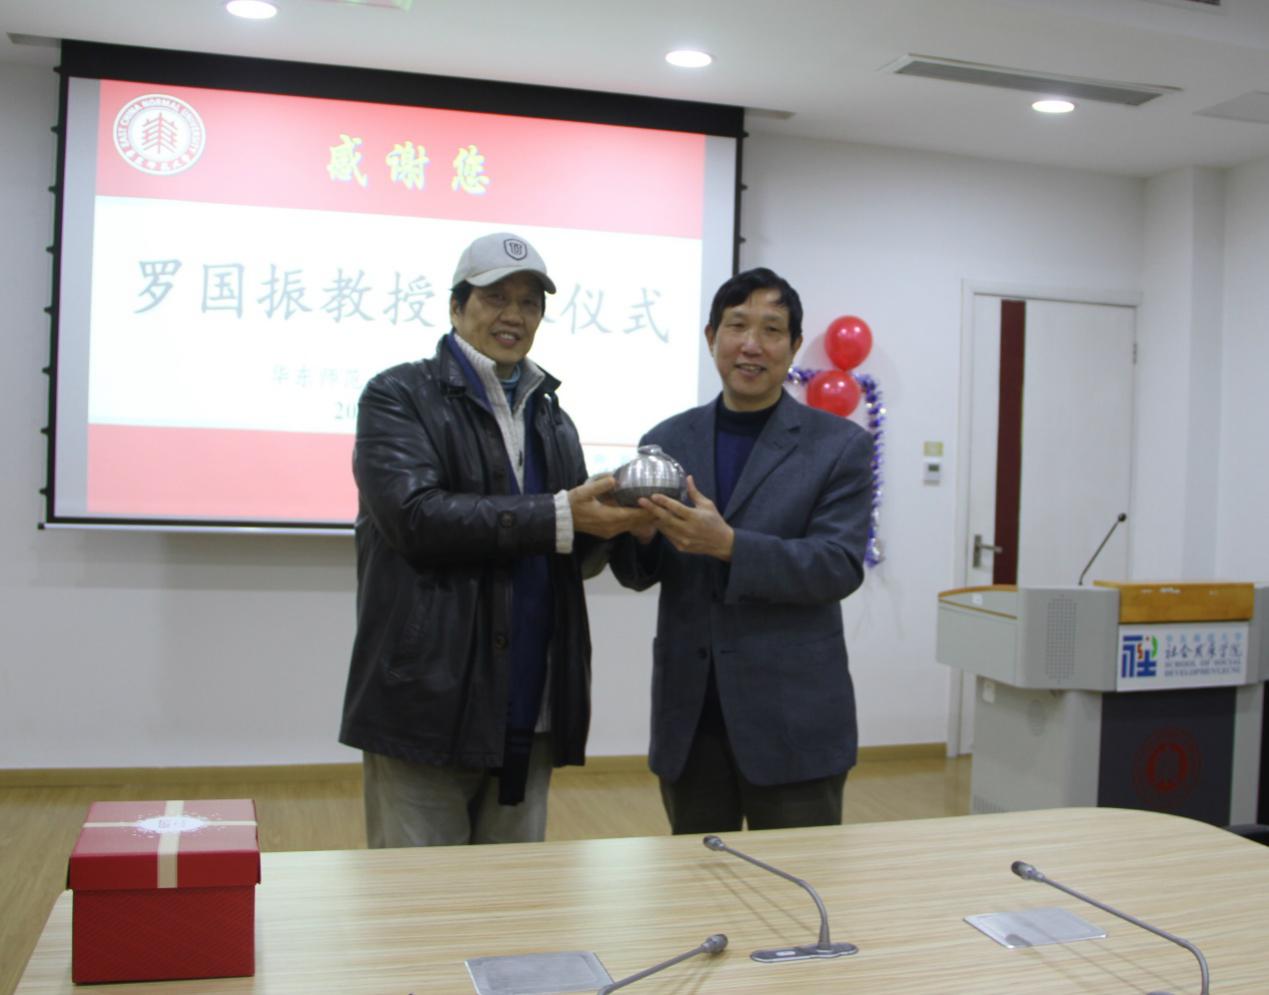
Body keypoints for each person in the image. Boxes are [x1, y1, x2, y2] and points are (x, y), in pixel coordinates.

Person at [340, 232, 649, 847]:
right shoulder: (397, 395)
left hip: (531, 699)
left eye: (530, 302)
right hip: (428, 701)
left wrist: (621, 526)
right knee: (416, 894)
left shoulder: (551, 416)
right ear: (456, 307)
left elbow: (567, 548)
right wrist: (562, 514)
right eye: (495, 297)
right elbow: (415, 520)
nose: (514, 315)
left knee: (511, 895)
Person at [609, 267, 873, 834]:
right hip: (691, 717)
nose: (752, 345)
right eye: (736, 326)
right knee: (699, 878)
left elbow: (837, 565)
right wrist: (642, 535)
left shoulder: (839, 446)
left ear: (794, 346)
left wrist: (730, 547)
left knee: (801, 881)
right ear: (711, 338)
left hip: (794, 719)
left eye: (772, 330)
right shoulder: (665, 441)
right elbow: (638, 572)